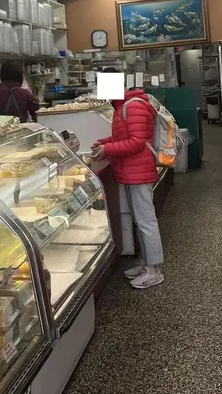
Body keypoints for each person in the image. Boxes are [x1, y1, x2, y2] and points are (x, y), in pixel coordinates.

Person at [92, 68, 164, 289]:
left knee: (146, 221)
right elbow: (123, 136)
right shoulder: (122, 106)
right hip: (132, 171)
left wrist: (107, 149)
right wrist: (105, 142)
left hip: (139, 171)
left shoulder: (132, 106)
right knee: (139, 220)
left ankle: (154, 270)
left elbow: (137, 142)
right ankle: (145, 263)